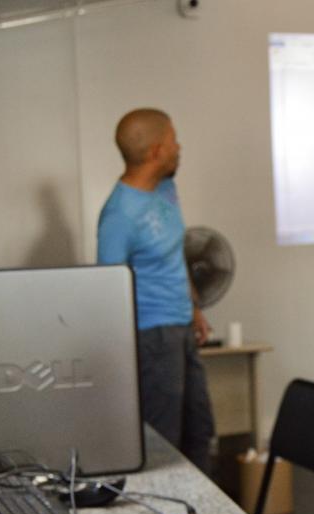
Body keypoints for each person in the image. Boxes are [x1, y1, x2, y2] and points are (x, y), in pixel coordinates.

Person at [97, 108, 214, 472]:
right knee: (165, 441)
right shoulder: (118, 216)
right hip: (152, 337)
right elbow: (109, 290)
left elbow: (176, 253)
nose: (180, 147)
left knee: (200, 429)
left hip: (180, 328)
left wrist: (194, 309)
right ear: (156, 152)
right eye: (174, 141)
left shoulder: (166, 189)